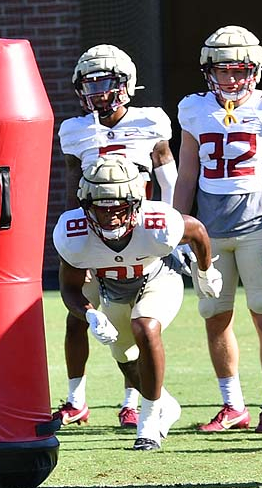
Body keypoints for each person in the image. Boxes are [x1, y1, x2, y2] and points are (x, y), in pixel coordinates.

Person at [172, 25, 262, 434]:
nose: (231, 79)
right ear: (209, 71)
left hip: (258, 225)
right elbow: (186, 176)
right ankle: (233, 405)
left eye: (239, 70)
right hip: (210, 230)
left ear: (255, 71)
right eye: (223, 71)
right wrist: (178, 230)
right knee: (214, 316)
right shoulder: (194, 109)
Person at [55, 158, 221, 450]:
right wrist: (89, 314)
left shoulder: (158, 224)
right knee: (126, 358)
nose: (111, 220)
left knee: (145, 326)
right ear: (85, 205)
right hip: (110, 290)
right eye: (101, 211)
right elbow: (69, 288)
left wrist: (206, 271)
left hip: (157, 278)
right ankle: (166, 405)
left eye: (119, 210)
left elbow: (196, 230)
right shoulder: (73, 232)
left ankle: (148, 424)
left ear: (137, 202)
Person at [54, 44, 177, 429]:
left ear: (125, 85)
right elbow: (75, 187)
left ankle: (131, 400)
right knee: (80, 317)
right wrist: (81, 248)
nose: (96, 92)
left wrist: (170, 227)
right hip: (96, 234)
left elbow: (166, 177)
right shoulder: (74, 130)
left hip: (139, 230)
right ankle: (76, 400)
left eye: (104, 82)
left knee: (129, 320)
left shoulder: (150, 121)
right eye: (89, 84)